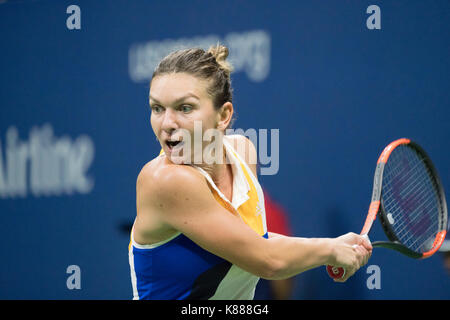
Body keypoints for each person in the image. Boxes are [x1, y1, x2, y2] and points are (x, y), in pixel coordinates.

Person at [128, 45, 372, 300]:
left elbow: (254, 242)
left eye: (185, 108)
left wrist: (335, 247)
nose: (167, 123)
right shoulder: (165, 181)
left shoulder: (243, 153)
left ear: (223, 115)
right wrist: (329, 250)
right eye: (157, 108)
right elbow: (266, 260)